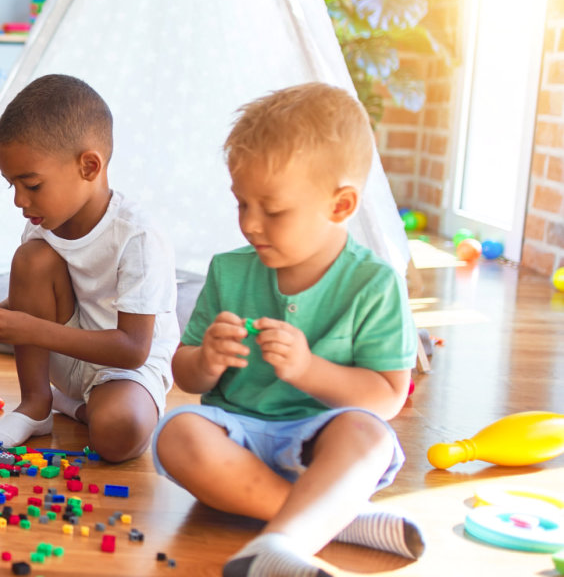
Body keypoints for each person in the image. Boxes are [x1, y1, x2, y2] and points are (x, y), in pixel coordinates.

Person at [152, 83, 422, 576]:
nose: (251, 225)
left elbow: (387, 396)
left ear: (340, 206)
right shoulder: (229, 271)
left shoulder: (373, 282)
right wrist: (205, 360)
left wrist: (309, 370)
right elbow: (186, 375)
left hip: (323, 439)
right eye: (241, 204)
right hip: (236, 436)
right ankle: (330, 519)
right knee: (176, 432)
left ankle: (277, 543)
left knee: (370, 435)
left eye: (272, 210)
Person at [0, 75, 178, 461]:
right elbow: (38, 300)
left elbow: (132, 349)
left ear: (89, 166)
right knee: (32, 258)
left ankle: (78, 407)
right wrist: (0, 313)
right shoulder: (42, 224)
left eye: (31, 184)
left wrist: (30, 328)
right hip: (66, 354)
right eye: (11, 184)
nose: (18, 199)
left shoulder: (138, 237)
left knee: (116, 435)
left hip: (124, 368)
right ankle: (36, 406)